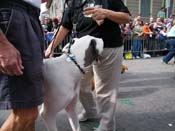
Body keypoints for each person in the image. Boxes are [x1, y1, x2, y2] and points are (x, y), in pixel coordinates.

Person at [45, 0, 130, 131]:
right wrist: (51, 46)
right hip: (82, 53)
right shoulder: (74, 2)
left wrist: (106, 13)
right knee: (80, 87)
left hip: (109, 47)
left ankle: (107, 126)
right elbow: (65, 26)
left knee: (105, 91)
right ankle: (90, 111)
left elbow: (126, 18)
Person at [0, 0, 44, 131]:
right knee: (26, 114)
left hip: (30, 15)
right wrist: (2, 45)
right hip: (13, 12)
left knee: (30, 114)